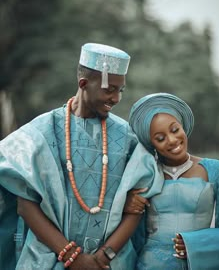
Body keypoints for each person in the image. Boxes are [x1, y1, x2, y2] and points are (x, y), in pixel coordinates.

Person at [0, 43, 145, 270]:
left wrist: (102, 257)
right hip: (47, 260)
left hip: (111, 264)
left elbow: (137, 206)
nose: (117, 98)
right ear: (83, 84)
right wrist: (73, 258)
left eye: (121, 90)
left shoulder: (129, 138)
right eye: (110, 89)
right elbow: (25, 204)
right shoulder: (40, 133)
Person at [109, 92, 219, 270]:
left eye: (175, 129)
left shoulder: (215, 169)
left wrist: (195, 245)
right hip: (150, 265)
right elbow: (126, 224)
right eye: (160, 138)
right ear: (151, 144)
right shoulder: (144, 174)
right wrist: (125, 203)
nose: (172, 140)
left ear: (183, 126)